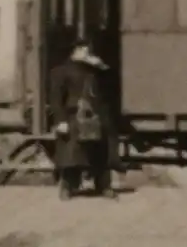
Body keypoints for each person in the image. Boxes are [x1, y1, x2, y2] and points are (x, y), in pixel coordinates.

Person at [50, 38, 140, 200]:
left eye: (87, 49)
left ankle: (103, 185)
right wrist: (60, 120)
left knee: (102, 152)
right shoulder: (61, 71)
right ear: (75, 51)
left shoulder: (96, 70)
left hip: (97, 116)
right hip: (73, 116)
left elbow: (112, 85)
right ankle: (68, 186)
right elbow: (56, 99)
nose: (86, 52)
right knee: (72, 154)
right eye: (83, 49)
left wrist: (102, 67)